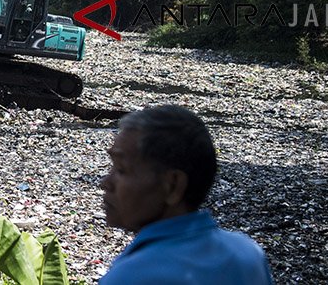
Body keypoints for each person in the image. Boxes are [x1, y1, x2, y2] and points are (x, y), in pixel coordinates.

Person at [99, 105, 274, 284]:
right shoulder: (248, 254)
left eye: (121, 169)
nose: (105, 183)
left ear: (173, 185)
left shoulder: (132, 276)